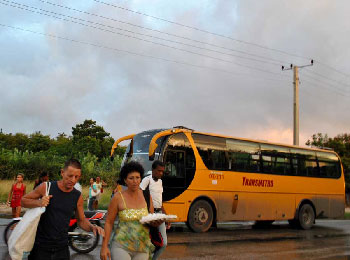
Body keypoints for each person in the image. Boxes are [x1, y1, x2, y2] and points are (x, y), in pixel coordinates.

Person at [21, 158, 104, 260]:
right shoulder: (46, 187)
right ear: (62, 173)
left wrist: (92, 227)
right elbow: (24, 200)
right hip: (40, 247)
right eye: (70, 176)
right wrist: (39, 202)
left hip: (62, 249)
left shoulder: (77, 196)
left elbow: (81, 221)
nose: (73, 180)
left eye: (76, 177)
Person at [100, 161, 162, 260]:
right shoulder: (118, 197)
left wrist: (156, 222)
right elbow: (109, 222)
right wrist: (104, 246)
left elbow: (150, 220)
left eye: (137, 177)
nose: (135, 181)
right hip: (121, 246)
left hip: (142, 247)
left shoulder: (146, 196)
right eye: (131, 178)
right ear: (125, 180)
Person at [140, 160, 170, 260]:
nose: (161, 173)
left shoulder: (160, 182)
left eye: (162, 171)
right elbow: (139, 195)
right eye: (158, 171)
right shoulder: (146, 180)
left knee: (163, 243)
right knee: (147, 243)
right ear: (153, 170)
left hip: (159, 214)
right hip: (149, 215)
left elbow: (159, 201)